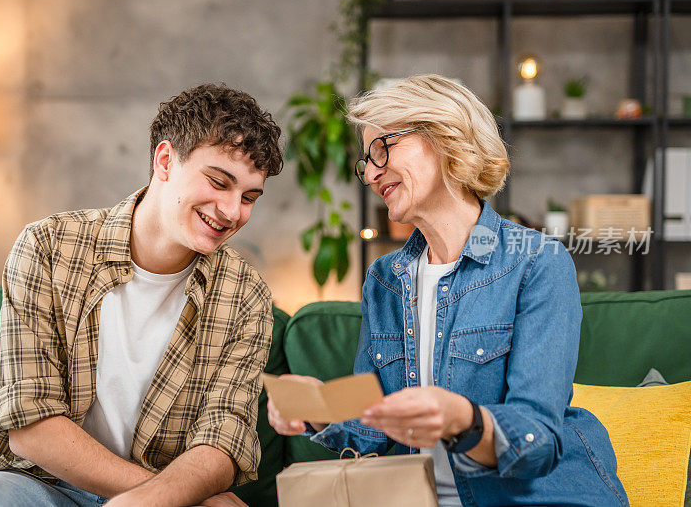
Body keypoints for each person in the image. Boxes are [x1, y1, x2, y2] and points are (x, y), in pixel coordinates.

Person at [268, 75, 628, 506]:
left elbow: (538, 440)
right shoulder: (385, 280)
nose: (373, 172)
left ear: (445, 136)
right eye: (366, 160)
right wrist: (318, 414)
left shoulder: (536, 261)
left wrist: (464, 419)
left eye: (383, 147)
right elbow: (375, 427)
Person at [0, 83, 282, 507]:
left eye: (249, 197)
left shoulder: (245, 295)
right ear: (165, 161)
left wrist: (160, 500)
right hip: (40, 485)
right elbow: (30, 423)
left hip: (168, 497)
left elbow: (224, 441)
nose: (233, 211)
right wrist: (152, 495)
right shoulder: (48, 247)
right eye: (219, 183)